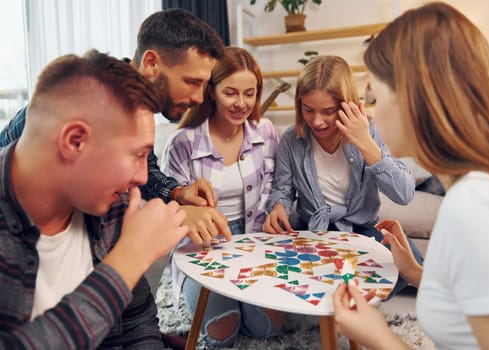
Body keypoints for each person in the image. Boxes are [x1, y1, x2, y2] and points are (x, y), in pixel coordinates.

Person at [332, 3, 489, 349]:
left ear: (413, 98)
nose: (373, 112)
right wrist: (418, 274)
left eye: (375, 95)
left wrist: (379, 337)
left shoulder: (477, 204)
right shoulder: (482, 188)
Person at [0, 50, 189, 348]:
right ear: (75, 141)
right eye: (138, 155)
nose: (143, 177)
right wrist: (130, 257)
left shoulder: (108, 204)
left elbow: (138, 325)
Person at [0, 8, 231, 244]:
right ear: (151, 63)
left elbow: (144, 172)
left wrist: (177, 193)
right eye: (192, 82)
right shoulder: (89, 99)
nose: (199, 98)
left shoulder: (137, 103)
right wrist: (176, 216)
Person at [161, 46, 280, 347]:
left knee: (267, 326)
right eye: (231, 93)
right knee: (222, 333)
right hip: (202, 246)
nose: (242, 103)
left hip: (255, 241)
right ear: (211, 91)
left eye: (250, 93)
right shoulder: (182, 143)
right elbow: (166, 206)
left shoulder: (265, 132)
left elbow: (277, 184)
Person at [263, 55, 422, 267]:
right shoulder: (292, 140)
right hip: (312, 230)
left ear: (348, 105)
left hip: (362, 230)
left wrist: (364, 142)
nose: (317, 122)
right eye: (308, 110)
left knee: (413, 263)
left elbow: (404, 194)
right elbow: (282, 190)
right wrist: (278, 207)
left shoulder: (370, 132)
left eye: (328, 112)